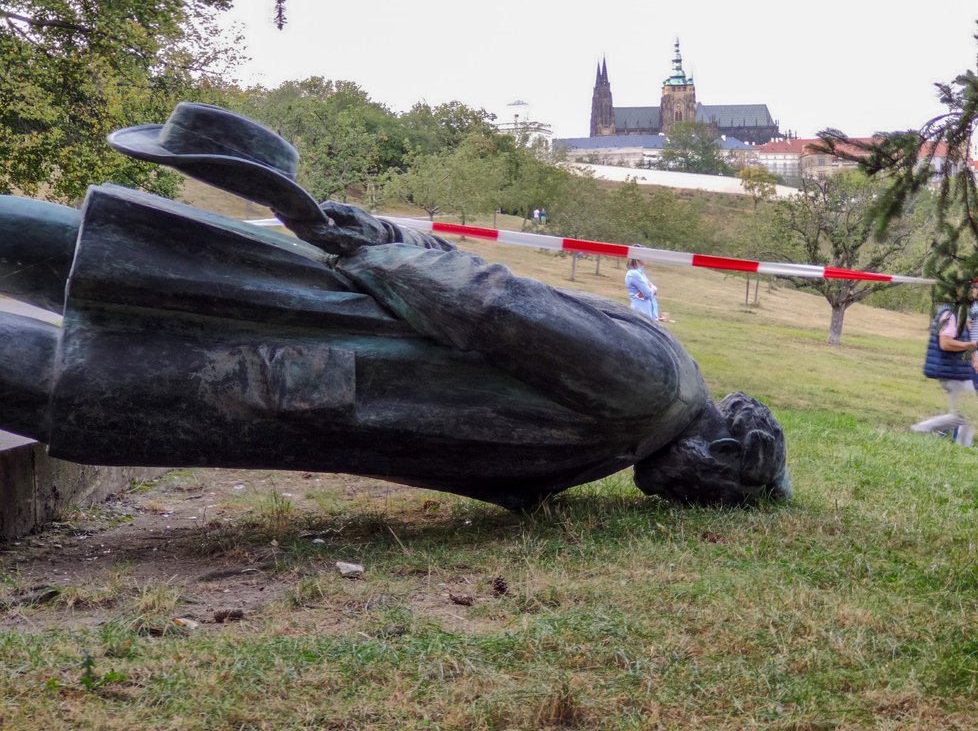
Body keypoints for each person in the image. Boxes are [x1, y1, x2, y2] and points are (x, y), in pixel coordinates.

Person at [0, 102, 789, 509]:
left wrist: (364, 239)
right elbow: (492, 306)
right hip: (326, 324)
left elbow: (488, 302)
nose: (687, 498)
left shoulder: (619, 441)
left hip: (317, 366)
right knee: (101, 298)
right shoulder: (652, 388)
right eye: (708, 495)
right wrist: (364, 243)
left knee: (91, 365)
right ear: (717, 458)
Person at [912, 285, 978, 446]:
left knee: (969, 414)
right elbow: (946, 343)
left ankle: (963, 447)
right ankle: (921, 429)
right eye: (973, 289)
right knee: (965, 414)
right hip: (951, 371)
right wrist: (972, 344)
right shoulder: (950, 314)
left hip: (958, 370)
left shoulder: (960, 313)